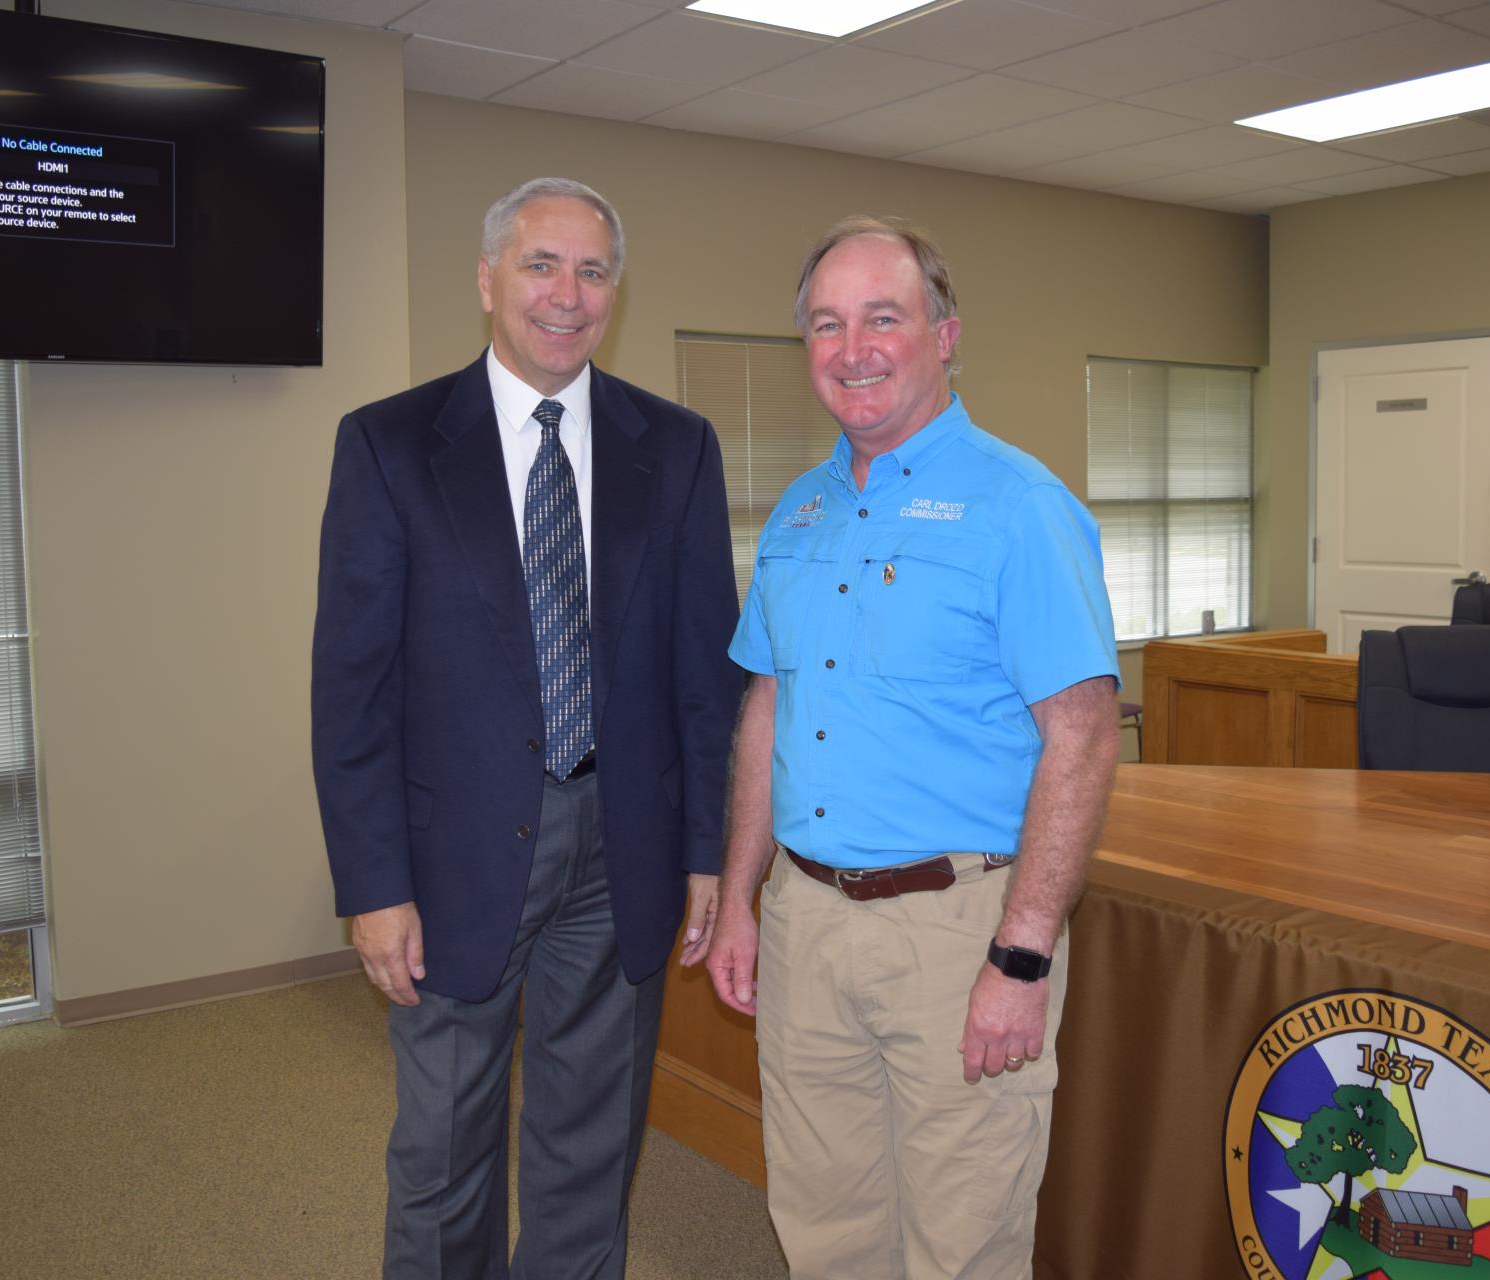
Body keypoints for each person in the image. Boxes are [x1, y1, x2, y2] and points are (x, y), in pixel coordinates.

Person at [311, 177, 742, 1279]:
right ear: (488, 278)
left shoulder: (678, 448)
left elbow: (706, 674)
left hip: (621, 850)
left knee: (588, 1149)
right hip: (451, 861)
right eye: (541, 264)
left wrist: (706, 853)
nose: (567, 292)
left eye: (592, 269)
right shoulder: (391, 445)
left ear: (615, 290)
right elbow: (351, 692)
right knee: (445, 1152)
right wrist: (371, 884)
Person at [697, 216, 1121, 1278]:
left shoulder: (1020, 506)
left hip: (959, 928)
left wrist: (1022, 955)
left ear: (945, 334)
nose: (854, 348)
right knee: (825, 1223)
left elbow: (1081, 734)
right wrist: (744, 893)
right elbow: (767, 708)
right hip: (806, 928)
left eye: (883, 317)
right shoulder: (798, 512)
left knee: (962, 1242)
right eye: (828, 325)